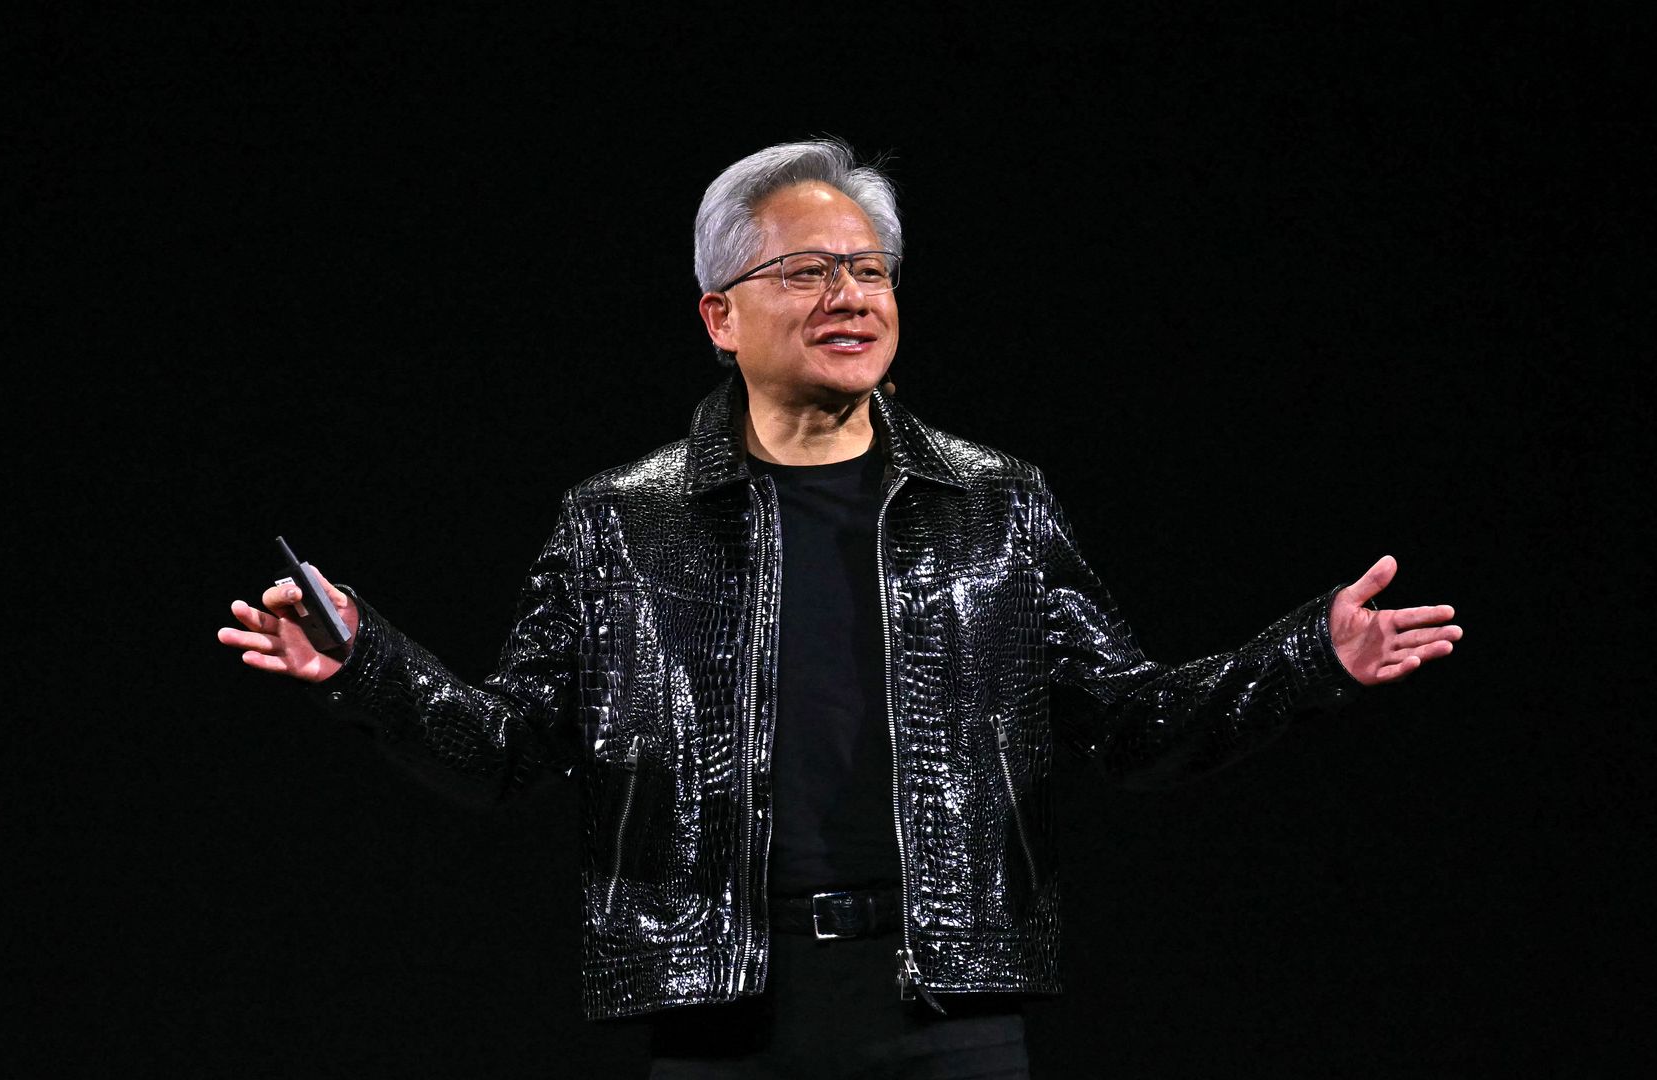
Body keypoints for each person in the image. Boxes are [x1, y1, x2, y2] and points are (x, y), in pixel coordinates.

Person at [217, 139, 1460, 1078]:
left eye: (871, 269)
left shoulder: (995, 503)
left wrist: (1312, 659)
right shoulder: (621, 520)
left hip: (949, 1013)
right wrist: (365, 666)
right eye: (807, 270)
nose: (851, 294)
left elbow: (1129, 724)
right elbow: (511, 749)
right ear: (720, 315)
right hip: (721, 1013)